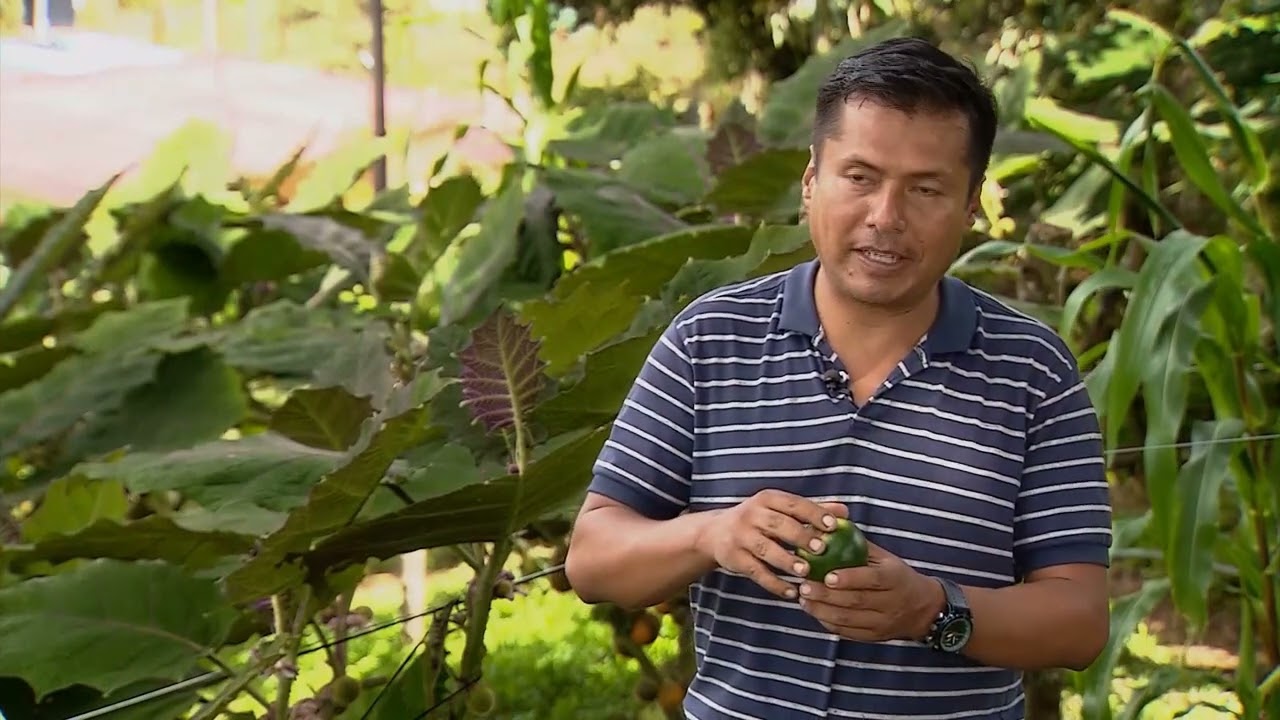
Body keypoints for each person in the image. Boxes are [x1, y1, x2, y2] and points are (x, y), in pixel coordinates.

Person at [564, 36, 1112, 719]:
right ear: (810, 182)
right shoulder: (711, 339)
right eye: (860, 177)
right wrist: (711, 534)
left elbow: (1081, 619)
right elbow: (591, 560)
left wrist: (932, 610)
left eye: (926, 188)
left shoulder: (1033, 371)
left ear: (971, 206)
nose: (886, 217)